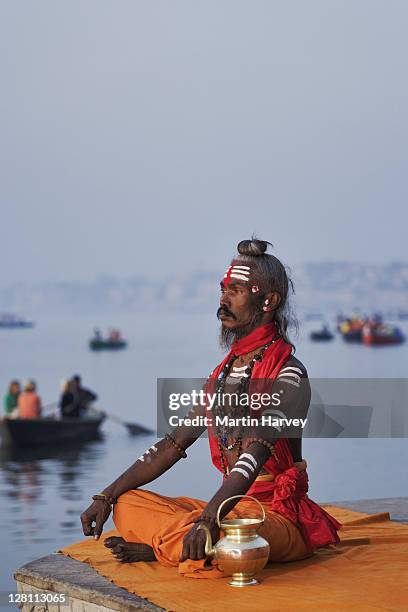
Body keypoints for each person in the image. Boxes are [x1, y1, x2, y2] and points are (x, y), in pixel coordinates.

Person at [80, 238, 341, 578]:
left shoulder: (289, 374)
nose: (223, 298)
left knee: (235, 541)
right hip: (227, 509)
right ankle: (183, 545)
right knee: (128, 504)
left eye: (236, 289)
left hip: (273, 517)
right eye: (223, 289)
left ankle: (163, 549)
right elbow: (173, 445)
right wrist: (106, 495)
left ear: (269, 301)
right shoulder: (221, 377)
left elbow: (256, 453)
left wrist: (207, 519)